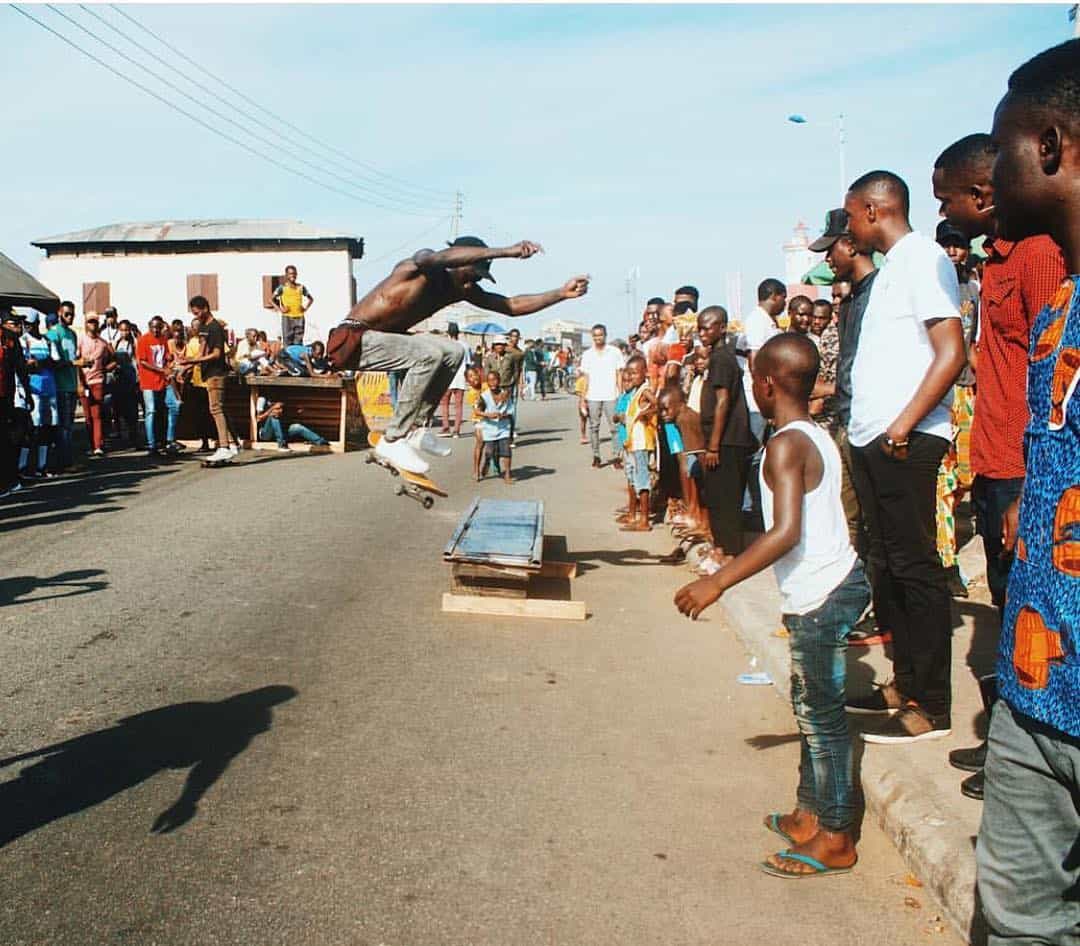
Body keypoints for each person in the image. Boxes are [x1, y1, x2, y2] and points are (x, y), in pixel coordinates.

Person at [674, 332, 870, 880]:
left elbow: (785, 532)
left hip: (821, 593)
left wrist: (718, 581)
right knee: (811, 711)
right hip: (827, 585)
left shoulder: (786, 444)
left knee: (823, 721)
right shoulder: (809, 433)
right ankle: (810, 813)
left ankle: (835, 836)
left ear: (764, 383)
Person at [976, 39, 1080, 943]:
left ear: (1050, 146)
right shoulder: (1058, 307)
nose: (991, 169)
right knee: (1016, 925)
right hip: (1036, 697)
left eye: (1002, 148)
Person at [933, 130, 1066, 799]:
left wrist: (1031, 480)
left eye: (948, 200)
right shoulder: (995, 261)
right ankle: (1007, 746)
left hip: (1022, 465)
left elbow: (1055, 377)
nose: (945, 214)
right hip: (995, 459)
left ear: (983, 194)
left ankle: (1025, 761)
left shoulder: (1041, 257)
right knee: (1007, 606)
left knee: (1029, 611)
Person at [841, 170, 966, 744]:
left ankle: (933, 705)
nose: (848, 227)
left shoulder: (923, 258)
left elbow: (951, 351)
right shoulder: (892, 271)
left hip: (906, 439)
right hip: (876, 438)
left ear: (872, 209)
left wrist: (905, 423)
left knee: (918, 569)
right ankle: (904, 683)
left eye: (849, 216)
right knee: (887, 565)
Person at [330, 236, 587, 475]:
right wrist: (507, 251)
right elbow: (437, 258)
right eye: (472, 274)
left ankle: (417, 430)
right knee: (429, 354)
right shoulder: (419, 267)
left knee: (454, 351)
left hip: (386, 342)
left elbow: (510, 306)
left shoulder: (459, 289)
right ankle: (393, 439)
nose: (471, 283)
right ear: (458, 261)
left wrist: (560, 294)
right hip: (353, 339)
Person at [818, 210, 882, 643]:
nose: (828, 263)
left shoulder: (880, 293)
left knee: (867, 522)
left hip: (868, 423)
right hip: (848, 419)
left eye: (831, 251)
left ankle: (868, 605)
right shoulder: (855, 298)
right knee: (849, 517)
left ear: (850, 244)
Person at [697, 306, 756, 570]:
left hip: (727, 441)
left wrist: (713, 445)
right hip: (721, 439)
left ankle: (731, 555)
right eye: (699, 327)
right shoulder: (717, 357)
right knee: (718, 498)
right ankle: (720, 548)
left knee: (728, 500)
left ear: (722, 328)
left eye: (707, 327)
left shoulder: (722, 359)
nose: (702, 333)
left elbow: (723, 403)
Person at [741, 278, 787, 522]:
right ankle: (750, 507)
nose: (785, 303)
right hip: (756, 400)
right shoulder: (757, 322)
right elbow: (755, 361)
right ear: (775, 296)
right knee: (755, 455)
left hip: (766, 397)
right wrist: (765, 396)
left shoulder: (768, 322)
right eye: (784, 298)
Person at [182, 296, 233, 465]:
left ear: (204, 308)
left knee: (216, 409)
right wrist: (186, 367)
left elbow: (218, 354)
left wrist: (192, 362)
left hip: (216, 373)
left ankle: (224, 446)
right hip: (207, 373)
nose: (195, 316)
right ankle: (233, 444)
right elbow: (202, 352)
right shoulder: (204, 327)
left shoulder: (215, 328)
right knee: (219, 409)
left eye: (196, 312)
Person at [17, 312, 59, 479]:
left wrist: (38, 363)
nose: (27, 327)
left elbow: (55, 361)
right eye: (25, 324)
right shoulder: (23, 341)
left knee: (47, 428)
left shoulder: (46, 341)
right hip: (33, 390)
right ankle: (24, 466)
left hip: (49, 389)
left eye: (30, 323)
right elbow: (23, 365)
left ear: (37, 323)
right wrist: (40, 363)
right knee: (33, 428)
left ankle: (42, 465)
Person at [618, 355, 657, 532]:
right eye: (629, 373)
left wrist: (645, 413)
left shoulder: (644, 390)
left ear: (644, 373)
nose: (631, 377)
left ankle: (644, 520)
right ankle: (634, 515)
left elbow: (657, 405)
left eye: (635, 373)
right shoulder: (634, 391)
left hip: (641, 443)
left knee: (642, 480)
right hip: (632, 442)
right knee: (633, 477)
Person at [580, 323, 623, 468]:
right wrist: (582, 399)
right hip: (593, 395)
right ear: (592, 337)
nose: (598, 338)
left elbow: (619, 375)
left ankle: (617, 456)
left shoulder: (615, 352)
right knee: (594, 427)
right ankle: (596, 456)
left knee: (615, 427)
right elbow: (585, 378)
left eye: (601, 335)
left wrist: (621, 394)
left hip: (611, 395)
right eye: (595, 335)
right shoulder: (587, 354)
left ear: (605, 335)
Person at [137, 316, 182, 456]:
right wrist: (161, 370)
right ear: (149, 326)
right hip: (148, 381)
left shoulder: (163, 340)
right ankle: (151, 444)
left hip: (163, 380)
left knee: (173, 405)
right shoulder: (143, 340)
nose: (156, 330)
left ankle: (169, 439)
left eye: (158, 327)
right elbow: (142, 361)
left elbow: (166, 357)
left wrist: (169, 363)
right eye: (153, 327)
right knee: (151, 411)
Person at [1, 310, 32, 496]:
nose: (17, 327)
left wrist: (27, 394)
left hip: (6, 397)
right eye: (13, 323)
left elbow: (20, 368)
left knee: (8, 439)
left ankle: (9, 479)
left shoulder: (11, 340)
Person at [77, 315, 116, 459]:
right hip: (84, 381)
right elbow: (76, 361)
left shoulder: (103, 343)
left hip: (97, 381)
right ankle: (90, 445)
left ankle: (98, 445)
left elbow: (114, 359)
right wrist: (80, 382)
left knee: (97, 414)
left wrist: (105, 369)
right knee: (87, 416)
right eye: (90, 322)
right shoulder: (80, 340)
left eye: (95, 322)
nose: (93, 325)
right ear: (86, 324)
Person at [47, 301, 79, 472]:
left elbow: (75, 360)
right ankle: (64, 462)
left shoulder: (72, 334)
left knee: (69, 425)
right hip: (60, 386)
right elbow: (55, 361)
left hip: (72, 385)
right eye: (67, 314)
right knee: (63, 426)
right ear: (59, 313)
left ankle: (67, 459)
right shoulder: (54, 334)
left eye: (72, 314)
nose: (70, 317)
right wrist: (74, 362)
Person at [477, 369, 512, 483]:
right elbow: (477, 411)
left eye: (495, 380)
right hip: (489, 427)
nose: (493, 383)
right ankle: (487, 461)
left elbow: (511, 411)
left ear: (499, 381)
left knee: (506, 451)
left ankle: (507, 474)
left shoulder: (505, 394)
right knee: (490, 452)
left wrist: (504, 415)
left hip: (503, 427)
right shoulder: (484, 396)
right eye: (490, 381)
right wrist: (488, 415)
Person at [255, 396, 328, 451]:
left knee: (297, 427)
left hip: (281, 431)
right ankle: (281, 445)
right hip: (266, 433)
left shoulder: (281, 399)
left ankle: (320, 441)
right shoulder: (262, 400)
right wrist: (272, 409)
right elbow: (259, 418)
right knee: (274, 415)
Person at [438, 322, 472, 437]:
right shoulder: (465, 346)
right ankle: (456, 430)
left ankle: (446, 427)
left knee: (445, 404)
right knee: (458, 406)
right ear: (458, 333)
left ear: (448, 333)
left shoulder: (444, 345)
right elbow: (468, 364)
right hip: (460, 379)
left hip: (446, 379)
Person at [271, 265, 314, 346]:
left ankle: (296, 358)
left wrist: (305, 308)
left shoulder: (301, 287)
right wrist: (280, 309)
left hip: (299, 318)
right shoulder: (282, 288)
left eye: (294, 273)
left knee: (298, 342)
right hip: (287, 318)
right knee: (287, 342)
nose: (293, 275)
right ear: (286, 275)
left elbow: (311, 299)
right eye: (290, 273)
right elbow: (271, 300)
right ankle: (288, 358)